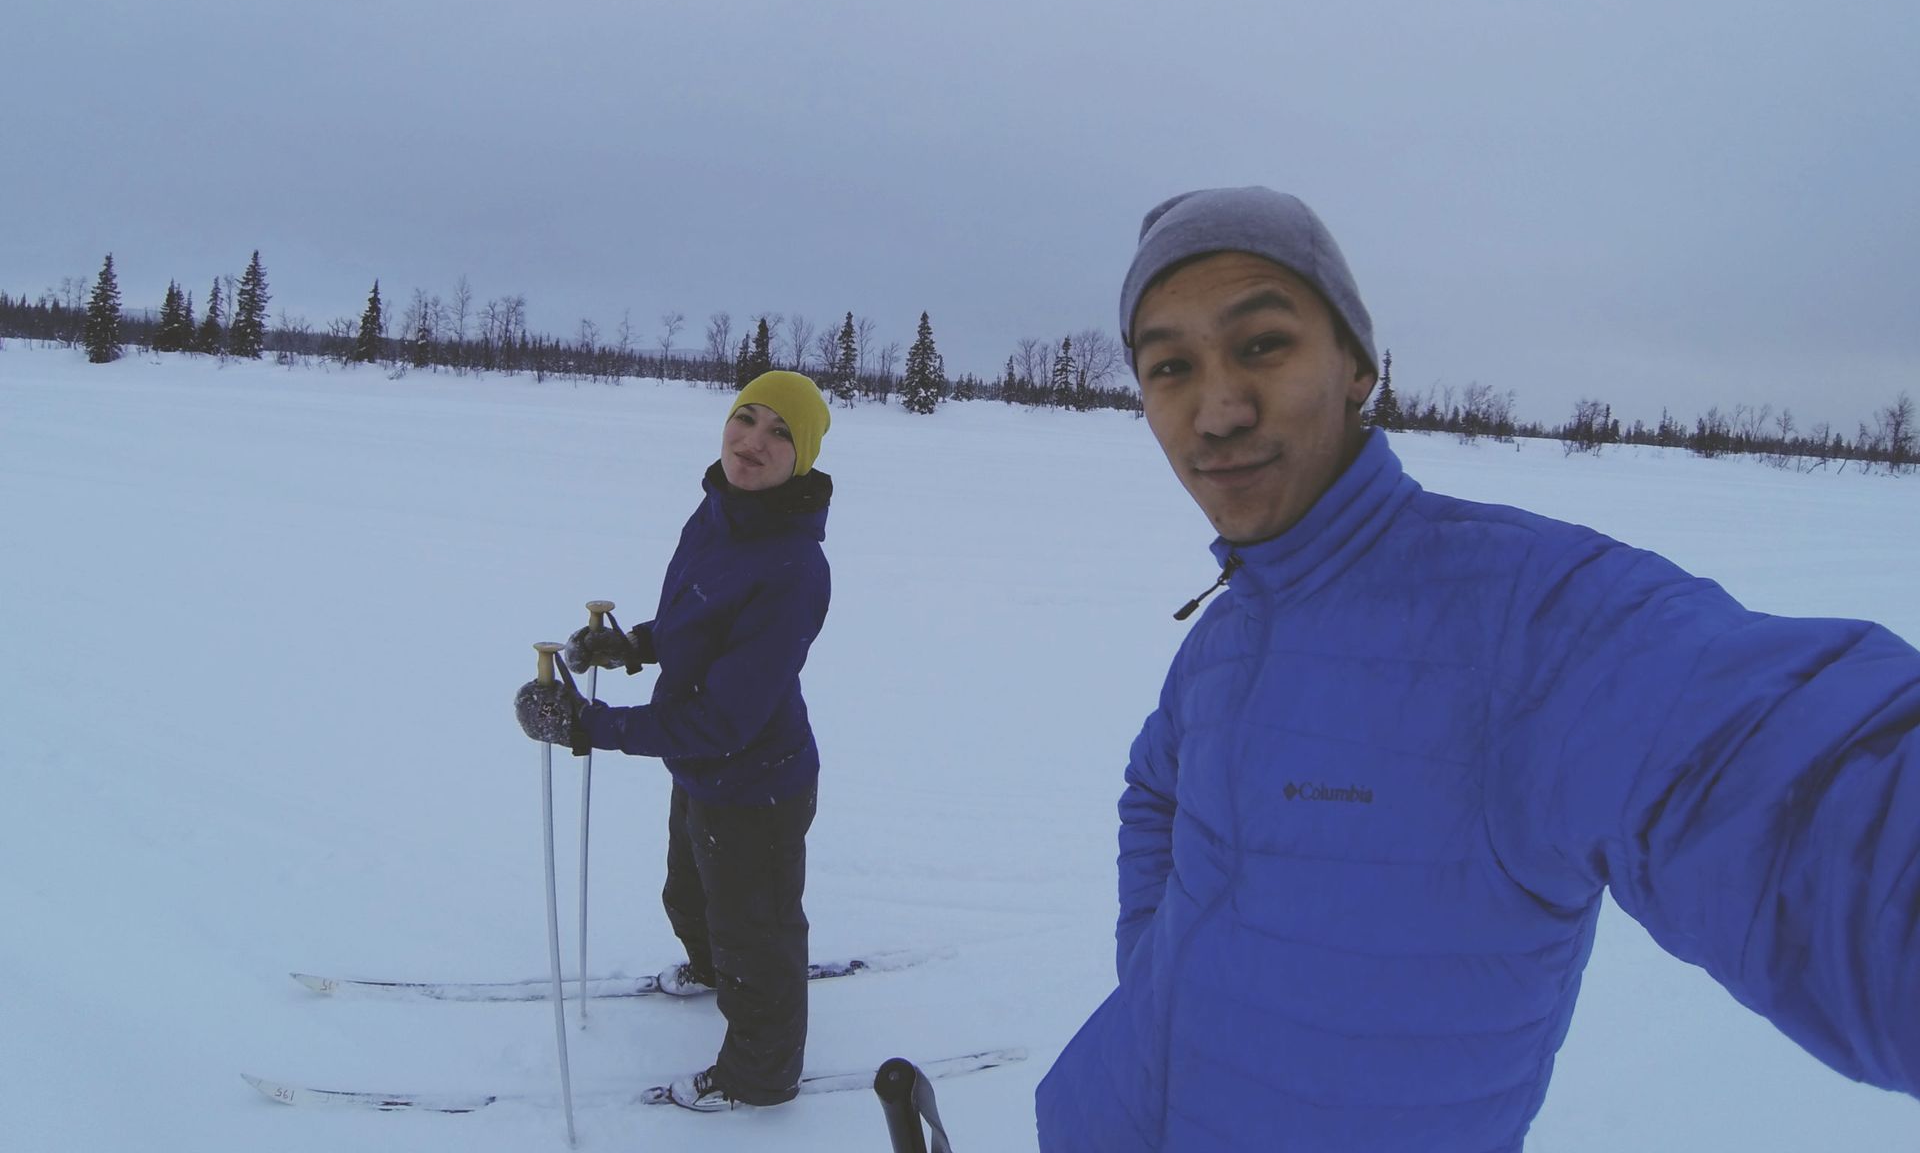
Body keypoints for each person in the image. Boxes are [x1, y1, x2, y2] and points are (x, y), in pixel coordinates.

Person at [1035, 186, 1920, 1151]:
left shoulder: (1533, 619)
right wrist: (1156, 975)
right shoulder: (1226, 633)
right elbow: (1153, 787)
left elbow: (1790, 788)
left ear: (1357, 367)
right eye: (1170, 367)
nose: (1218, 410)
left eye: (1262, 345)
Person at [516, 369, 834, 1113]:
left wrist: (589, 726)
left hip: (756, 785)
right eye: (745, 417)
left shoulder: (793, 567)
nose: (752, 441)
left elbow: (725, 721)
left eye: (779, 432)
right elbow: (701, 625)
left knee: (755, 938)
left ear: (804, 456)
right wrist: (632, 646)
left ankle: (762, 1074)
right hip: (699, 771)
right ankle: (708, 966)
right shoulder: (718, 512)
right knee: (689, 894)